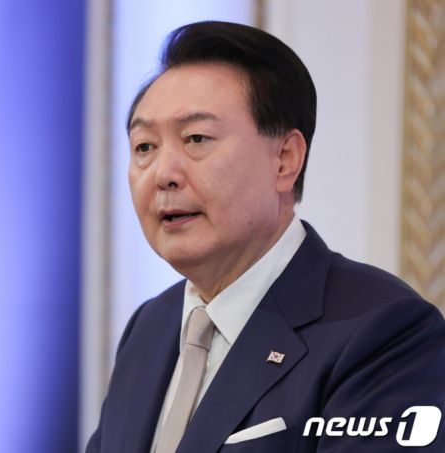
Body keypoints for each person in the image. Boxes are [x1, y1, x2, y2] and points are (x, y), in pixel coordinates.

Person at [86, 21, 445, 453]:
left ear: (285, 160)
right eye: (145, 146)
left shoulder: (383, 331)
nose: (164, 173)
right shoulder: (149, 326)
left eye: (196, 138)